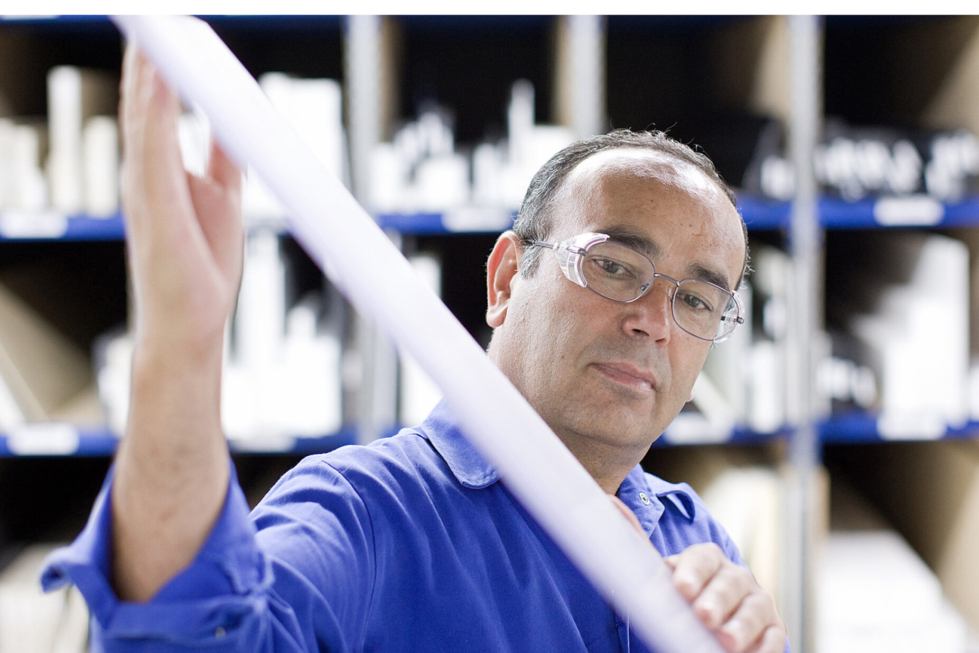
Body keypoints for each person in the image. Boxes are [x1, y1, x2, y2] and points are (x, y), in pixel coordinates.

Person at [42, 43, 788, 653]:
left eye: (696, 299)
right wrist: (181, 344)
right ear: (503, 280)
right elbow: (187, 637)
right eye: (614, 266)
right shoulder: (361, 515)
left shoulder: (693, 535)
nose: (655, 320)